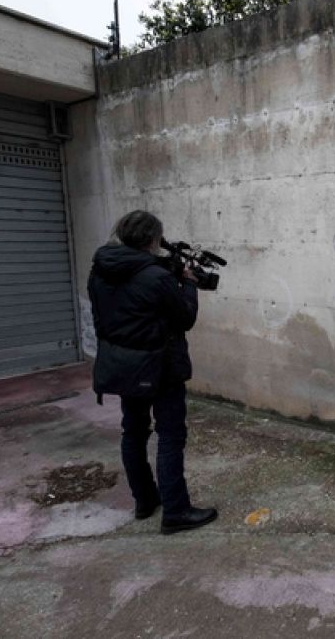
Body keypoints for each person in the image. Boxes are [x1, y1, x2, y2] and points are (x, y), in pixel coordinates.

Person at [87, 210, 218, 535]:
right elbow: (185, 317)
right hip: (160, 367)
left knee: (133, 432)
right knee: (170, 435)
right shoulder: (155, 277)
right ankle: (176, 511)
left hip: (123, 366)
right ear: (151, 240)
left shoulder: (99, 272)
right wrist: (187, 284)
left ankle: (145, 501)